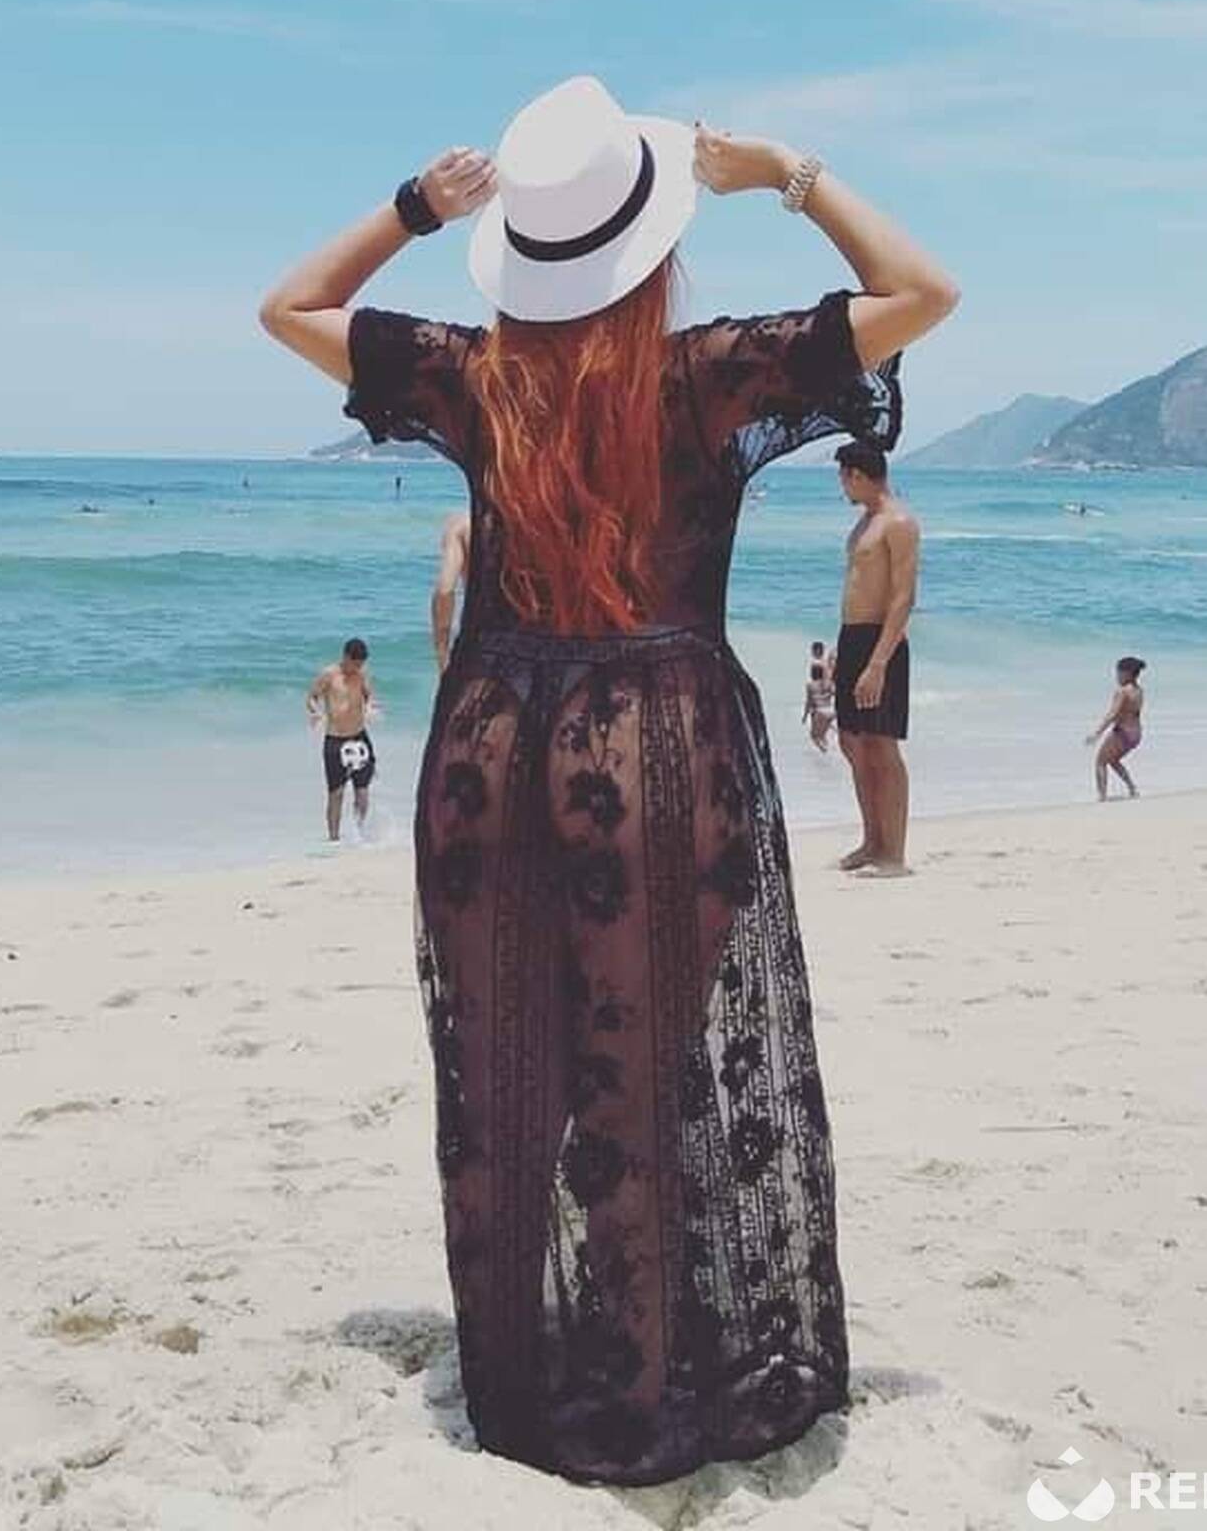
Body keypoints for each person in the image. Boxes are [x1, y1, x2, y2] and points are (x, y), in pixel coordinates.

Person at [259, 74, 957, 1484]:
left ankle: (529, 1374)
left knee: (507, 1068)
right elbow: (922, 291)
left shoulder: (473, 375)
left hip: (489, 750)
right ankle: (641, 1373)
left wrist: (412, 208)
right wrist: (788, 172)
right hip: (656, 749)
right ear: (652, 249)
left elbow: (289, 308)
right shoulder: (710, 376)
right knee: (645, 1067)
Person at [832, 440, 919, 876]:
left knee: (882, 744)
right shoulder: (865, 522)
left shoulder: (898, 522)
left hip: (882, 641)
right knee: (852, 741)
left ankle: (894, 854)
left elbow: (903, 597)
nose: (842, 488)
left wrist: (878, 663)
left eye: (843, 479)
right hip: (852, 638)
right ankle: (871, 841)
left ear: (858, 475)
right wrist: (842, 648)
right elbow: (857, 584)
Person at [306, 637, 377, 842]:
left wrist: (370, 707)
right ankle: (334, 839)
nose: (357, 668)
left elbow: (370, 696)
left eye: (361, 664)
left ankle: (359, 833)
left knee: (362, 792)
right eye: (355, 664)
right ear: (345, 657)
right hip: (335, 740)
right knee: (336, 793)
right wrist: (316, 712)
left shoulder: (362, 675)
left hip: (359, 737)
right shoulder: (329, 675)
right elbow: (311, 697)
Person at [1086, 656, 1146, 801]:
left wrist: (1097, 733)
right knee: (1113, 760)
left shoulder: (1122, 691)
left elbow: (1112, 714)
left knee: (1100, 762)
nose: (1117, 676)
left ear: (1127, 673)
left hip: (1122, 733)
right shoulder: (1139, 690)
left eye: (1118, 673)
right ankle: (1132, 788)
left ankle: (1102, 797)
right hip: (1136, 734)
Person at [432, 509, 471, 670]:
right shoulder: (537, 524)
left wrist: (442, 655)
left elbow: (444, 590)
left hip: (481, 636)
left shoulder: (461, 526)